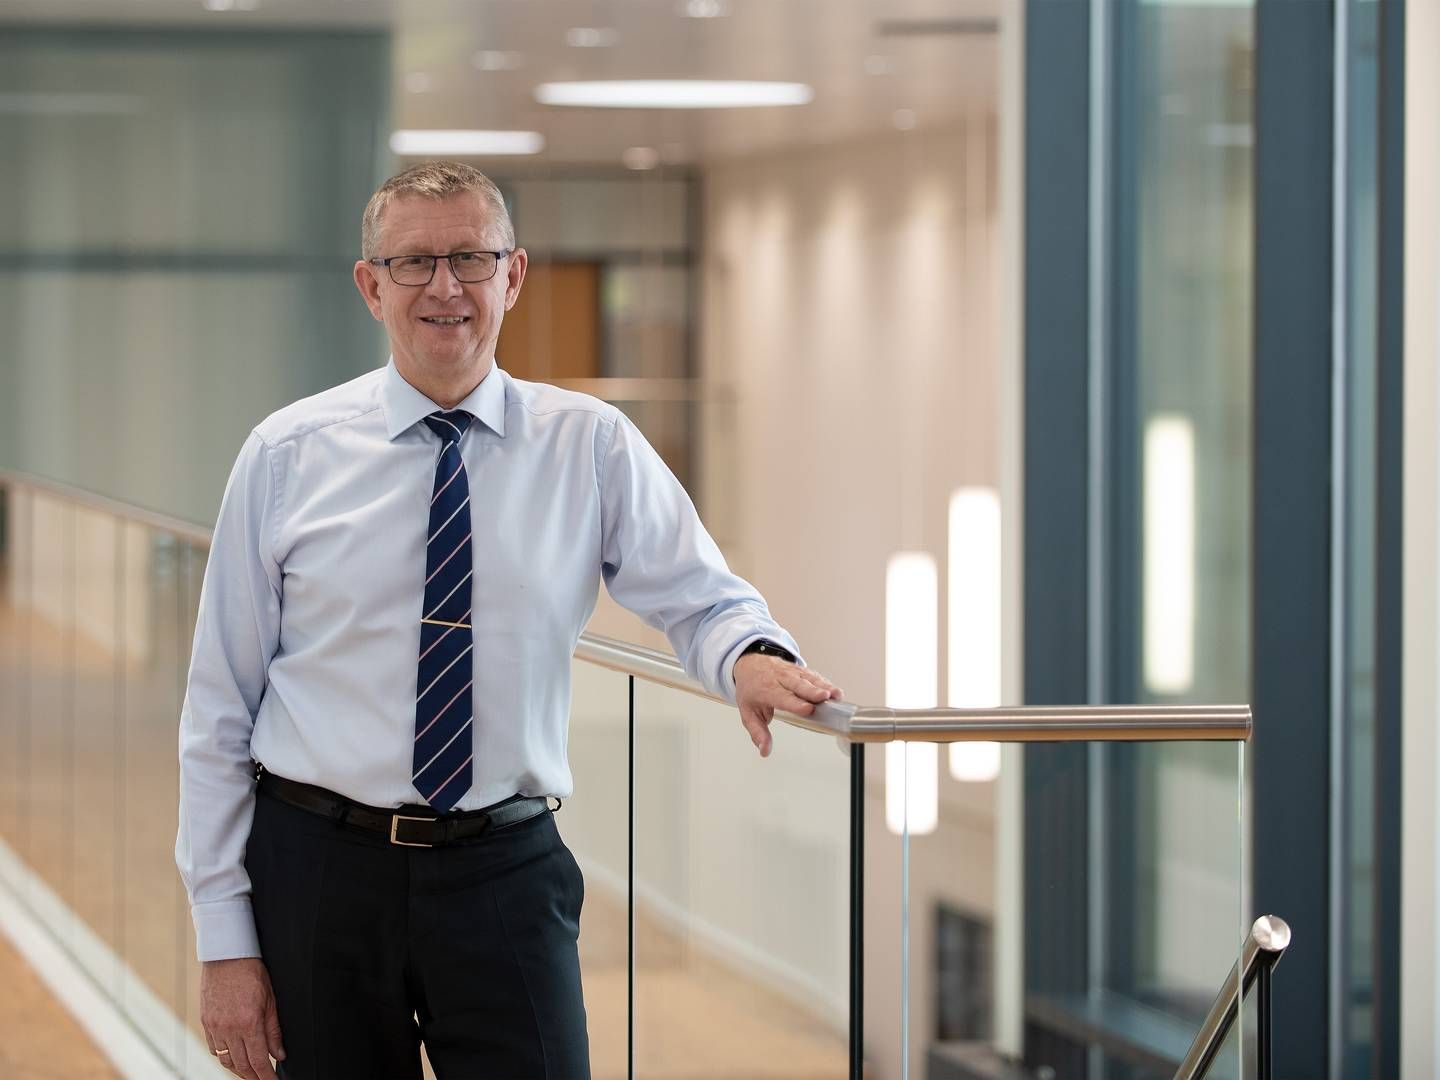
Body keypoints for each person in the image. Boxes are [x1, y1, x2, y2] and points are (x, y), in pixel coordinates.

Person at [174, 160, 842, 1080]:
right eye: (412, 263)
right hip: (320, 871)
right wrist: (223, 939)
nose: (444, 287)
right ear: (371, 287)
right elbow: (218, 710)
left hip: (503, 869)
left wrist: (752, 655)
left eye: (470, 259)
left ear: (513, 276)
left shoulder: (590, 443)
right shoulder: (287, 456)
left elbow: (699, 591)